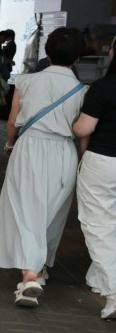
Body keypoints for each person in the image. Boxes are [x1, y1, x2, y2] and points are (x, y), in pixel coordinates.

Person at [0, 27, 87, 308]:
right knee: (51, 213)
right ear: (78, 58)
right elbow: (82, 132)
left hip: (30, 147)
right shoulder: (83, 90)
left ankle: (29, 274)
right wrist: (81, 162)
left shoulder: (26, 81)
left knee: (24, 211)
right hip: (64, 152)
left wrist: (10, 145)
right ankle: (40, 269)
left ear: (47, 52)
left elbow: (12, 121)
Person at [72, 36, 116, 318]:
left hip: (102, 162)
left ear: (112, 53)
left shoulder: (103, 87)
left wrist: (74, 122)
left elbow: (83, 129)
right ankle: (99, 279)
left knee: (97, 225)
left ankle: (113, 292)